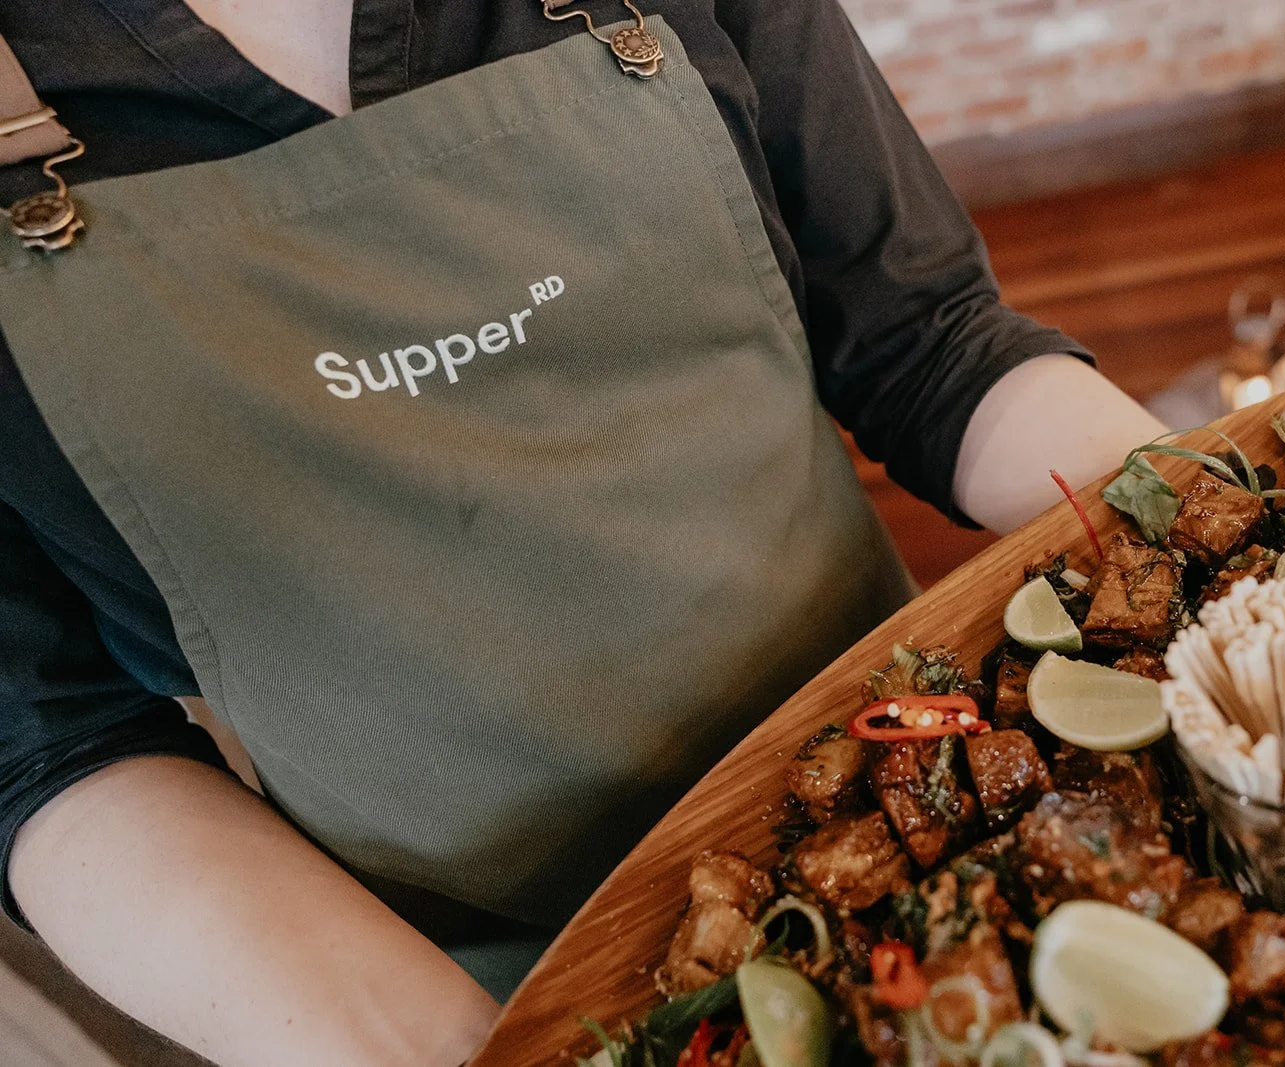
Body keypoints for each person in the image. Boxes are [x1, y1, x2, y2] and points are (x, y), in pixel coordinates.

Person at [0, 1, 1165, 1064]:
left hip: (930, 790)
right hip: (465, 989)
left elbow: (931, 338)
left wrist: (1237, 553)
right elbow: (46, 739)